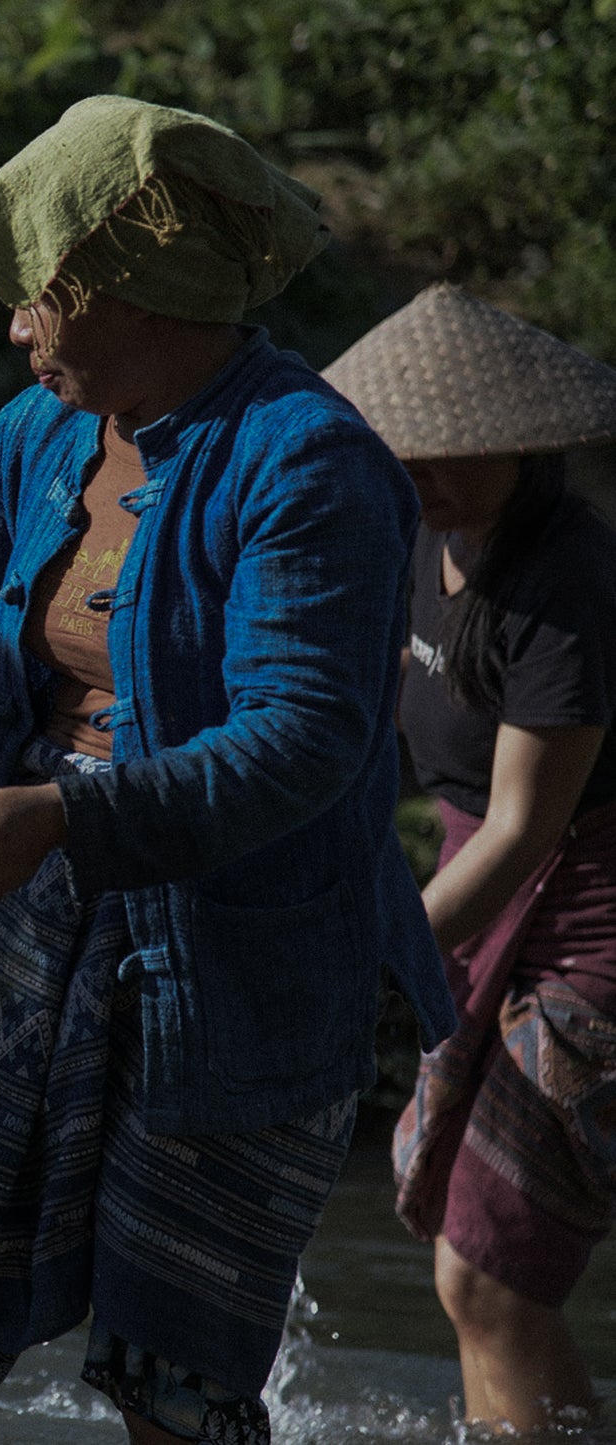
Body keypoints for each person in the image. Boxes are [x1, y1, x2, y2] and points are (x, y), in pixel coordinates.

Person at [0, 96, 456, 1444]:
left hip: (233, 977)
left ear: (140, 289)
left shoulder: (309, 465)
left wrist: (67, 813)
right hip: (36, 937)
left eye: (44, 294)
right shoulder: (43, 435)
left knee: (170, 1372)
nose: (18, 327)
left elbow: (303, 739)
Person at [323, 282, 616, 1432]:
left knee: (485, 1274)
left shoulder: (569, 580)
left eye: (448, 456)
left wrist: (362, 952)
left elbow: (520, 828)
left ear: (518, 443)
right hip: (476, 896)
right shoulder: (410, 540)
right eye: (404, 456)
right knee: (467, 1243)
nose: (421, 476)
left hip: (586, 918)